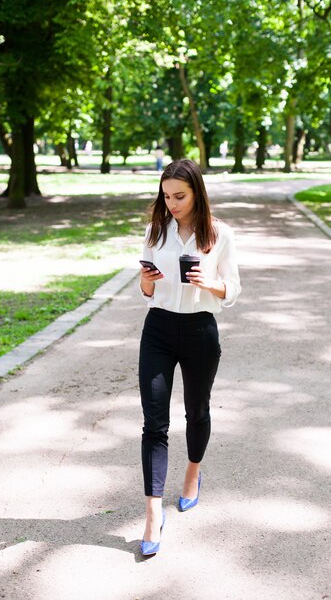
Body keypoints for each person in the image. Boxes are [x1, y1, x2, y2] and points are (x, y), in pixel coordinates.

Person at [138, 158, 241, 556]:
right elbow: (146, 292)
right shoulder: (155, 231)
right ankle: (151, 514)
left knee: (196, 412)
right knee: (154, 422)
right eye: (166, 196)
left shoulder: (220, 234)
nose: (172, 204)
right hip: (158, 330)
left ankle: (193, 474)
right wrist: (146, 282)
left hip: (200, 330)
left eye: (179, 196)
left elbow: (232, 289)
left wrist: (209, 283)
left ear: (197, 192)